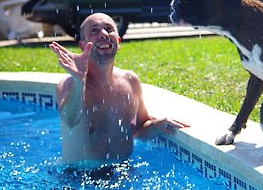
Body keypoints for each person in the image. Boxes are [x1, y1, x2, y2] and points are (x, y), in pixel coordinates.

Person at [49, 13, 187, 165]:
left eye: (109, 29)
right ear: (83, 45)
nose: (103, 34)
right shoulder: (69, 84)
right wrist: (79, 81)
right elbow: (70, 119)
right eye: (94, 31)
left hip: (123, 172)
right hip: (78, 178)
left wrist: (157, 125)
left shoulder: (130, 81)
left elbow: (139, 131)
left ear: (118, 42)